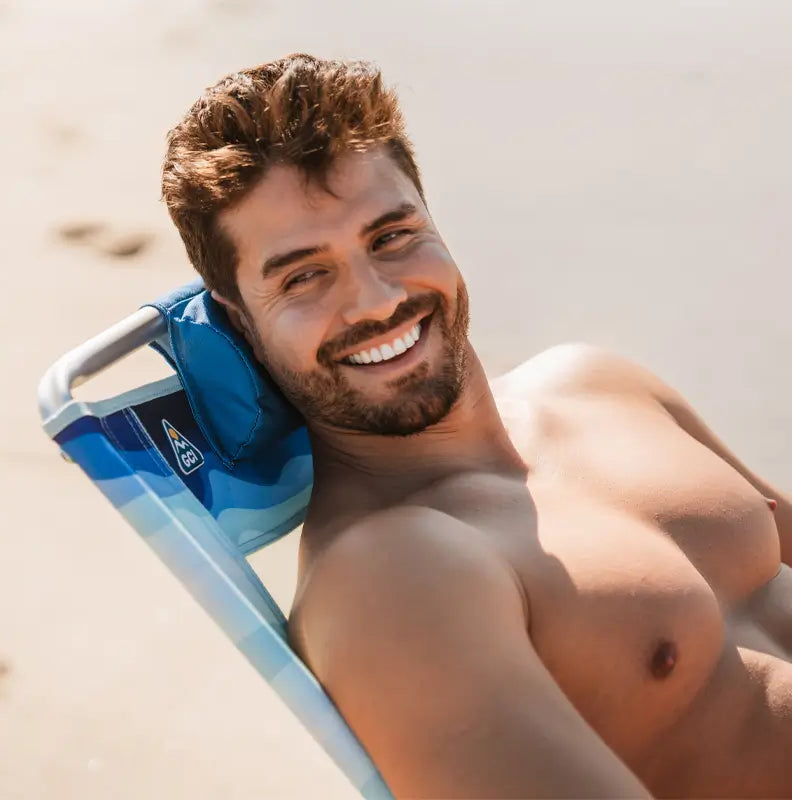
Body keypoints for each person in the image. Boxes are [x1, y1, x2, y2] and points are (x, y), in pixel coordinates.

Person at [160, 54, 792, 798]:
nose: (374, 300)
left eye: (392, 236)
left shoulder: (598, 384)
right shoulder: (391, 582)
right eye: (304, 276)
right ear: (238, 322)